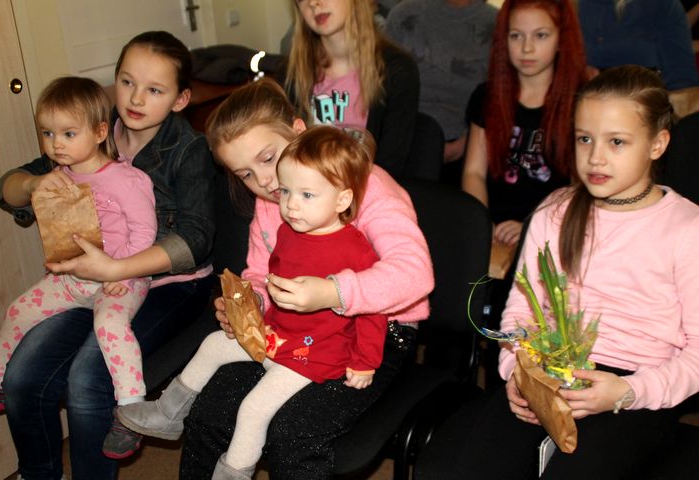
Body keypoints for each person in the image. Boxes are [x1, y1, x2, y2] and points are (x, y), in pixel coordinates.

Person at [420, 64, 699, 479]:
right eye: (585, 138)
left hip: (635, 387)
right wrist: (519, 373)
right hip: (547, 371)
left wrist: (627, 391)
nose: (596, 157)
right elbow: (519, 314)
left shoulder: (687, 227)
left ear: (657, 144)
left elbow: (696, 354)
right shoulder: (555, 211)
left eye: (617, 142)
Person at [179, 78, 433, 479]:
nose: (264, 182)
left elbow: (415, 273)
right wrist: (251, 303)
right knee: (210, 411)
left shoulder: (367, 187)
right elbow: (261, 273)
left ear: (298, 131)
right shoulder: (273, 201)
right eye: (245, 174)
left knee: (292, 432)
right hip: (292, 327)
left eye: (268, 158)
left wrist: (333, 292)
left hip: (376, 330)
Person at [0, 31, 216, 479]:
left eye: (155, 90)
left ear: (180, 99)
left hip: (169, 284)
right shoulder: (91, 127)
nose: (136, 98)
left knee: (88, 376)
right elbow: (6, 189)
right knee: (21, 375)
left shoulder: (188, 149)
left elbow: (195, 239)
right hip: (89, 279)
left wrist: (116, 268)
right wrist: (35, 184)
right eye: (127, 82)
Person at [115, 126, 388, 479]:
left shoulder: (356, 251)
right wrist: (253, 307)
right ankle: (169, 413)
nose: (291, 204)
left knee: (253, 408)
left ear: (342, 200)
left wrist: (365, 362)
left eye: (307, 194)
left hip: (314, 353)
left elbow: (372, 311)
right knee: (213, 344)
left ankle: (234, 472)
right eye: (286, 191)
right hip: (277, 335)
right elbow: (272, 279)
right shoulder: (288, 231)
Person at [0, 76, 156, 427]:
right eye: (48, 133)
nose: (56, 144)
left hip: (122, 277)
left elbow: (145, 233)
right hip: (74, 279)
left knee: (110, 325)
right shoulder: (58, 176)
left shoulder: (126, 180)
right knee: (18, 310)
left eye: (68, 134)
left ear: (100, 131)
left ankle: (132, 407)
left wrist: (122, 272)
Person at [462, 0, 587, 248]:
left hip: (552, 230)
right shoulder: (487, 95)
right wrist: (483, 225)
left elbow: (580, 188)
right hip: (492, 226)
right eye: (516, 36)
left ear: (561, 39)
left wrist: (533, 227)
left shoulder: (581, 103)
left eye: (540, 35)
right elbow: (473, 172)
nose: (526, 48)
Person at [286, 0, 420, 178]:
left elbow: (388, 168)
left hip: (369, 189)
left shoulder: (398, 71)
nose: (313, 3)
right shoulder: (294, 75)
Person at [385, 0, 497, 164]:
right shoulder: (402, 14)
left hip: (470, 150)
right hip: (399, 143)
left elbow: (502, 99)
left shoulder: (497, 23)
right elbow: (380, 88)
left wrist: (465, 145)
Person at [577, 0, 699, 91]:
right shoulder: (573, 7)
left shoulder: (663, 5)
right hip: (583, 105)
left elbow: (682, 83)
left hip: (647, 108)